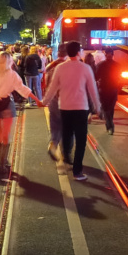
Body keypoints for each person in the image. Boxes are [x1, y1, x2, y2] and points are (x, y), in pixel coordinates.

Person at [42, 41, 99, 181]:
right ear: (79, 52)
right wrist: (97, 107)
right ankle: (77, 171)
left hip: (65, 107)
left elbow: (52, 88)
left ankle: (67, 155)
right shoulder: (85, 68)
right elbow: (92, 89)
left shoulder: (60, 68)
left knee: (66, 134)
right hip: (81, 107)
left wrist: (44, 102)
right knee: (80, 139)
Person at [0, 52, 38, 174]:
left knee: (1, 133)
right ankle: (3, 162)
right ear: (9, 61)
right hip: (7, 105)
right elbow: (22, 89)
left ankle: (2, 159)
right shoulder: (12, 74)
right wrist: (38, 100)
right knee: (6, 134)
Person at [94, 48, 123, 134]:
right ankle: (110, 125)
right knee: (110, 108)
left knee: (105, 108)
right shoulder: (118, 65)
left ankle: (109, 125)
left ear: (105, 54)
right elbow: (120, 77)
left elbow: (96, 77)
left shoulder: (100, 65)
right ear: (112, 54)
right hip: (113, 88)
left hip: (103, 88)